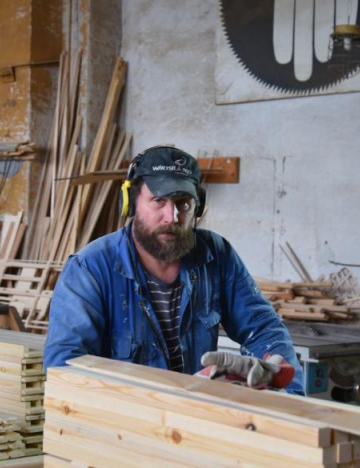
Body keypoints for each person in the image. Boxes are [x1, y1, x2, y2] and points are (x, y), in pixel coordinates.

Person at [44, 145, 305, 395]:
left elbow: (262, 328)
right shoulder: (89, 269)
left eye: (183, 203)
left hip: (193, 417)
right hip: (123, 424)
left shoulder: (217, 255)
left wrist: (279, 375)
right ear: (131, 203)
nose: (172, 217)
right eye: (159, 201)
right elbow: (66, 369)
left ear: (198, 207)